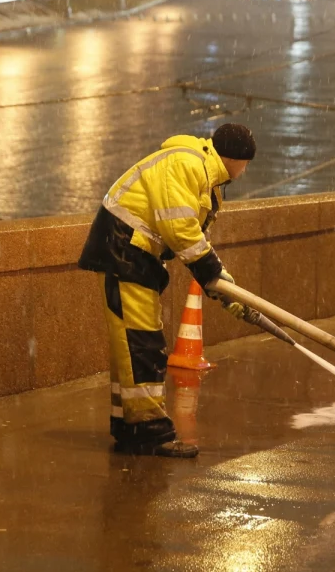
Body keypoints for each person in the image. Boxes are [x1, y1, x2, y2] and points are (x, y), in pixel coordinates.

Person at [77, 124, 256, 459]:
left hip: (131, 251)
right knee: (142, 343)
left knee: (132, 346)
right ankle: (149, 432)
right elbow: (181, 231)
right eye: (246, 164)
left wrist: (223, 288)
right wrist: (213, 275)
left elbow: (195, 239)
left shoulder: (203, 173)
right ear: (235, 158)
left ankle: (130, 428)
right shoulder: (188, 166)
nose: (245, 172)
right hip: (124, 248)